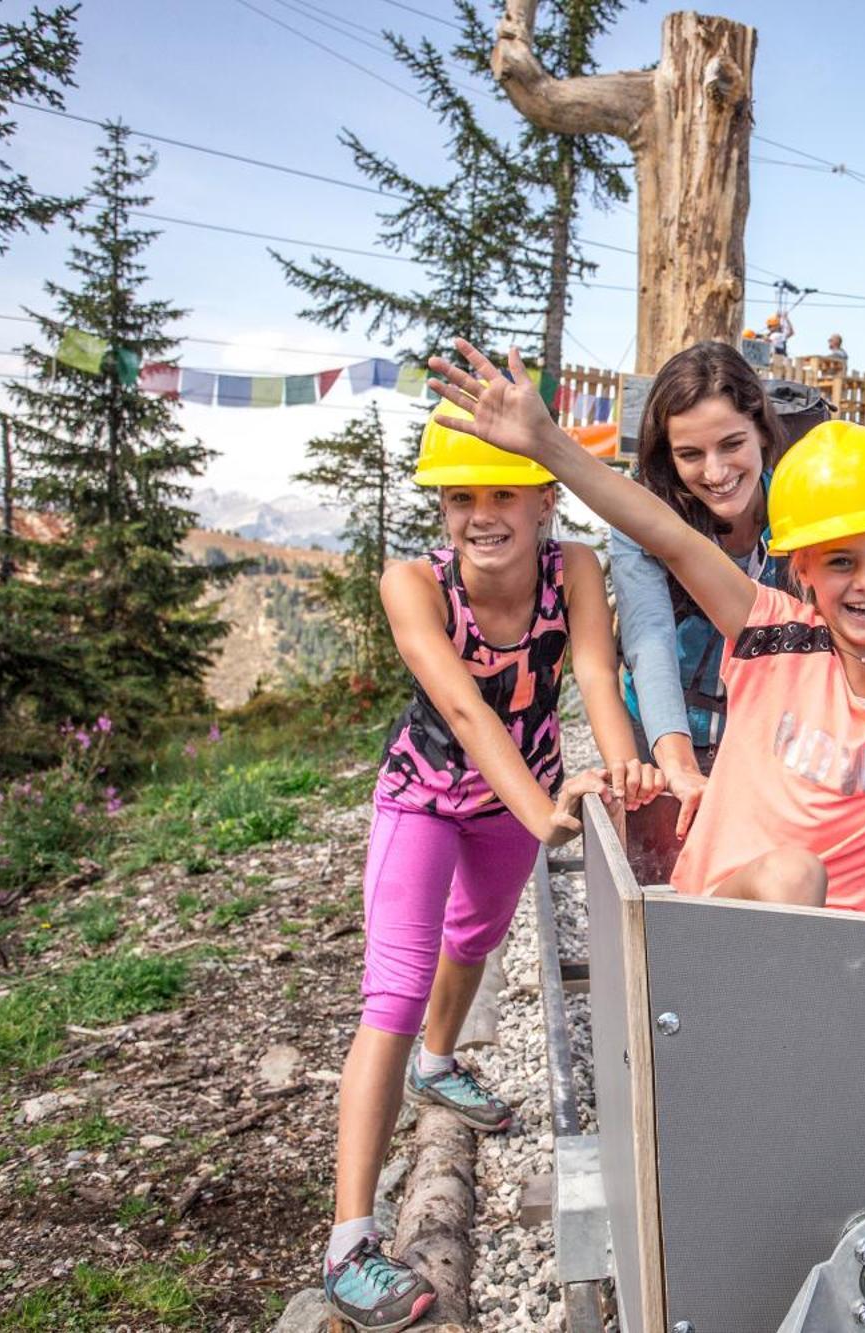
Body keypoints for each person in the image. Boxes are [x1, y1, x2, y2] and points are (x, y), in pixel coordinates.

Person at [425, 321, 865, 916]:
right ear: (799, 568)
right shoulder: (771, 633)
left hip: (861, 961)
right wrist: (549, 445)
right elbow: (665, 532)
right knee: (796, 877)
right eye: (839, 563)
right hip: (735, 924)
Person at [324, 399, 664, 1332]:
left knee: (471, 939)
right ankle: (349, 1242)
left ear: (545, 496)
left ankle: (441, 1065)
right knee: (390, 992)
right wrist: (547, 811)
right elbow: (469, 714)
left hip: (523, 795)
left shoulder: (577, 569)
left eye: (503, 491)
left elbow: (595, 674)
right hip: (427, 797)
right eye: (459, 494)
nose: (481, 513)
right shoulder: (413, 584)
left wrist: (625, 761)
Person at [610, 342, 789, 825]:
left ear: (761, 432)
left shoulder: (798, 510)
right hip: (659, 730)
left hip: (765, 735)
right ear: (669, 458)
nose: (716, 473)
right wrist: (678, 765)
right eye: (691, 454)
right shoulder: (642, 519)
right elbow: (649, 639)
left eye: (732, 445)